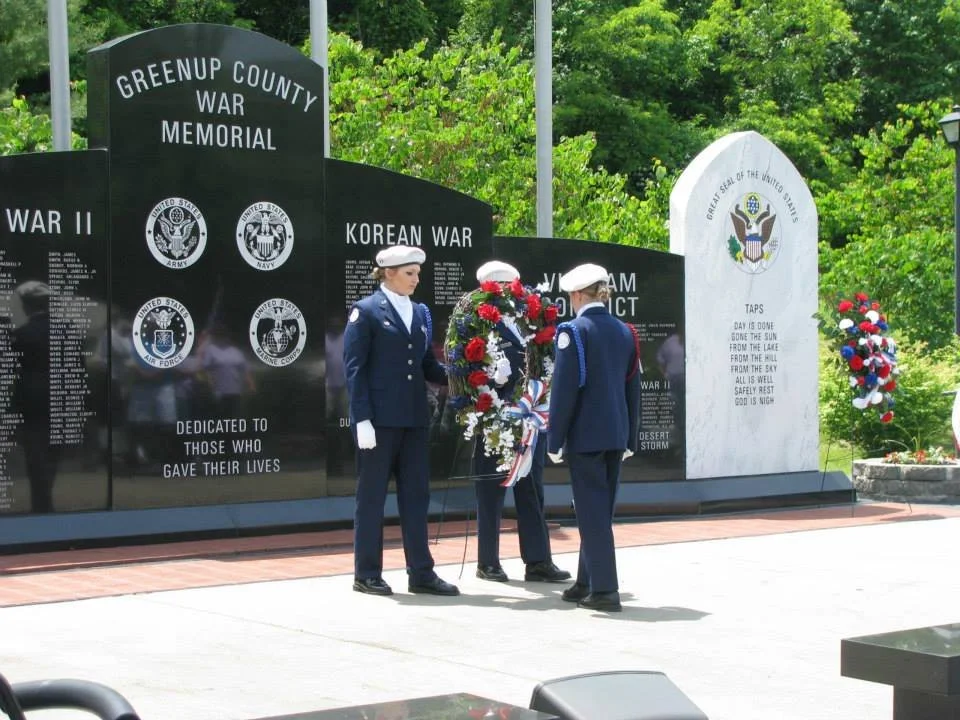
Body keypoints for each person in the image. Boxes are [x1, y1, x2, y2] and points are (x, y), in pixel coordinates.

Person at [343, 245, 459, 597]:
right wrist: (361, 418)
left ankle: (421, 572)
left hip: (413, 420)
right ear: (388, 273)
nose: (416, 279)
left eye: (417, 273)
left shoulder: (419, 313)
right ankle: (366, 572)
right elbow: (354, 370)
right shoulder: (365, 313)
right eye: (409, 273)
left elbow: (426, 364)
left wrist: (463, 377)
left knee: (416, 497)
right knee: (372, 497)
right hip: (378, 422)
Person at [547, 263, 641, 612]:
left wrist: (555, 440)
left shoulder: (573, 331)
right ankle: (586, 581)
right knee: (598, 511)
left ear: (575, 295)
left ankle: (605, 590)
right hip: (616, 435)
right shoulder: (625, 331)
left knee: (592, 515)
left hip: (585, 437)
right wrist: (631, 436)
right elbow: (633, 389)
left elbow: (565, 391)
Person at [470, 261, 571, 585]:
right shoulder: (477, 322)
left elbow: (542, 360)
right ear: (487, 287)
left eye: (510, 284)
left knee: (532, 489)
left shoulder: (529, 318)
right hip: (496, 416)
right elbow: (465, 369)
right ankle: (488, 561)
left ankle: (538, 561)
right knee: (491, 492)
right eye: (499, 285)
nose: (507, 291)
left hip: (530, 417)